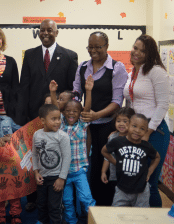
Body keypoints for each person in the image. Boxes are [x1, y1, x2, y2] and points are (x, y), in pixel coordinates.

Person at [73, 31, 128, 205]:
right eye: (91, 47)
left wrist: (96, 115)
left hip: (107, 126)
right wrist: (77, 109)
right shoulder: (82, 66)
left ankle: (104, 207)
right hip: (85, 126)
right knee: (84, 165)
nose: (94, 50)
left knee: (104, 167)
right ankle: (87, 207)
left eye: (98, 47)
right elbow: (76, 93)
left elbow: (117, 101)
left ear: (107, 46)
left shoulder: (117, 68)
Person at [123, 34, 170, 207]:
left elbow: (163, 104)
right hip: (135, 130)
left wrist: (148, 131)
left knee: (148, 183)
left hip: (155, 131)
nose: (137, 52)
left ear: (150, 53)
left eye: (143, 50)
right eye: (135, 47)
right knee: (134, 182)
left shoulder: (156, 71)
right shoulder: (132, 73)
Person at [50, 75, 95, 224]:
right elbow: (56, 109)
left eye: (75, 111)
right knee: (67, 201)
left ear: (79, 113)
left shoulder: (82, 125)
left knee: (86, 198)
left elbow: (86, 108)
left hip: (79, 171)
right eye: (68, 111)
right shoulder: (61, 124)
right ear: (63, 113)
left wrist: (88, 91)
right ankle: (72, 221)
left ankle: (94, 219)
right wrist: (52, 93)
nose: (71, 113)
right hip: (64, 174)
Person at [18, 19, 78, 126]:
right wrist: (23, 115)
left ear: (56, 33)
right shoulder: (29, 54)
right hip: (33, 114)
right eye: (42, 30)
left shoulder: (69, 56)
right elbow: (24, 87)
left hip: (58, 116)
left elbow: (71, 89)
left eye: (49, 30)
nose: (45, 33)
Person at [102, 114, 161, 207]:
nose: (137, 130)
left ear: (146, 131)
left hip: (141, 191)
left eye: (142, 129)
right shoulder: (118, 141)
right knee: (117, 215)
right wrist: (115, 162)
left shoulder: (146, 146)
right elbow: (104, 151)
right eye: (134, 126)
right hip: (121, 189)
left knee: (141, 217)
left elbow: (157, 157)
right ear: (128, 125)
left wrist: (150, 172)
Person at [32, 104, 71, 224]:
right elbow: (34, 155)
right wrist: (36, 172)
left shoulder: (63, 136)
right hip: (42, 178)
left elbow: (67, 158)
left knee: (55, 207)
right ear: (42, 120)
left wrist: (61, 178)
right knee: (41, 205)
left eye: (59, 118)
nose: (58, 122)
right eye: (53, 119)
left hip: (56, 178)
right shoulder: (37, 134)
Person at [101, 108, 135, 197]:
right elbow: (107, 156)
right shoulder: (112, 137)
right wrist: (103, 172)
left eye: (125, 121)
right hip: (114, 177)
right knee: (117, 200)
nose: (121, 124)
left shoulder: (134, 138)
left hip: (131, 178)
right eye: (118, 121)